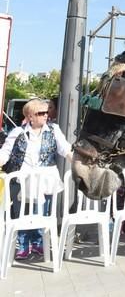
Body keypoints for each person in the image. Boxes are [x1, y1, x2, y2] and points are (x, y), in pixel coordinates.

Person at [0, 99, 73, 260]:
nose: (46, 115)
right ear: (30, 116)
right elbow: (5, 152)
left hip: (46, 179)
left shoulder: (54, 130)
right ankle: (23, 245)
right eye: (41, 113)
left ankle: (39, 243)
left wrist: (77, 162)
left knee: (43, 212)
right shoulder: (17, 132)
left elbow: (65, 149)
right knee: (22, 213)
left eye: (46, 112)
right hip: (22, 180)